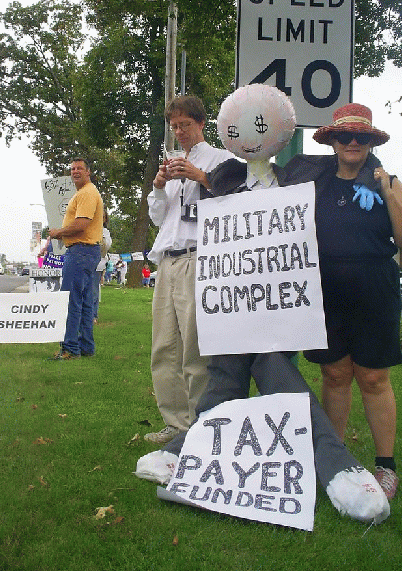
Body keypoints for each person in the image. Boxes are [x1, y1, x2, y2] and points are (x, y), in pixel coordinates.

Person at [136, 87, 391, 523]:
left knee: (270, 366)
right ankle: (186, 451)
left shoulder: (303, 170)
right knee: (228, 376)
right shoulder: (224, 175)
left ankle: (336, 466)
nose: (251, 137)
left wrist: (377, 175)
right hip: (234, 306)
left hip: (279, 308)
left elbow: (351, 162)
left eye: (260, 127)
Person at [302, 103, 402, 500]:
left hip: (375, 286)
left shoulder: (390, 182)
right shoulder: (315, 183)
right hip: (326, 290)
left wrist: (389, 195)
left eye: (362, 136)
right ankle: (335, 459)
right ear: (333, 141)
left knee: (374, 378)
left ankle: (386, 466)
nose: (353, 143)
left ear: (372, 141)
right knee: (335, 374)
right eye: (345, 136)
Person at [144, 95, 234, 444]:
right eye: (174, 126)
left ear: (200, 123)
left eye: (185, 125)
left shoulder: (221, 160)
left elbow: (234, 198)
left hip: (200, 257)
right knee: (164, 346)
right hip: (167, 259)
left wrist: (202, 177)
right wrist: (158, 187)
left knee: (195, 348)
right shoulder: (171, 162)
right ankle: (175, 423)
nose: (179, 132)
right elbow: (157, 217)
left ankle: (201, 425)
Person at [48, 158, 103, 360]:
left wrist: (58, 232)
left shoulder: (87, 193)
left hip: (80, 251)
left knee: (72, 300)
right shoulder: (85, 192)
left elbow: (81, 224)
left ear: (88, 172)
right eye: (72, 168)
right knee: (86, 301)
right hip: (87, 251)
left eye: (80, 168)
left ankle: (70, 348)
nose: (75, 171)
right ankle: (86, 347)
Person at [93, 211, 112, 323]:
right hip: (86, 263)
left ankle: (93, 315)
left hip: (98, 266)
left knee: (94, 291)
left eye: (103, 217)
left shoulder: (105, 232)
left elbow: (106, 246)